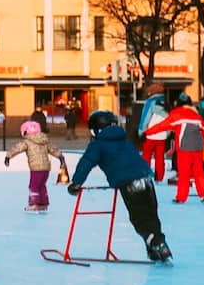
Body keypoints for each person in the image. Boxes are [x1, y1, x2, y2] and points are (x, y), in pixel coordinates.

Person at [70, 111, 171, 262]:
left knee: (139, 218)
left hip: (129, 183)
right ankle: (156, 247)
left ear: (96, 129)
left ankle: (156, 242)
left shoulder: (97, 145)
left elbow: (87, 162)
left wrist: (76, 182)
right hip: (146, 179)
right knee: (150, 215)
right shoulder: (124, 140)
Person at [142, 95, 204, 203]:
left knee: (184, 172)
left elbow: (162, 126)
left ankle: (181, 197)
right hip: (198, 148)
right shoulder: (196, 116)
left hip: (185, 148)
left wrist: (147, 132)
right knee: (199, 171)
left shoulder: (178, 114)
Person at [4, 121, 67, 212]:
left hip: (36, 169)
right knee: (41, 185)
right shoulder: (44, 140)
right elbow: (53, 149)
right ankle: (43, 203)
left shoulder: (27, 142)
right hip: (46, 168)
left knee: (33, 186)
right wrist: (61, 158)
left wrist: (8, 156)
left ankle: (34, 203)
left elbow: (17, 148)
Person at [133, 82, 170, 183]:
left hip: (150, 134)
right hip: (162, 135)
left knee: (146, 155)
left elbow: (145, 117)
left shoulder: (150, 102)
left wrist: (141, 131)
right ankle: (159, 177)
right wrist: (168, 133)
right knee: (160, 157)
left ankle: (146, 175)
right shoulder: (166, 103)